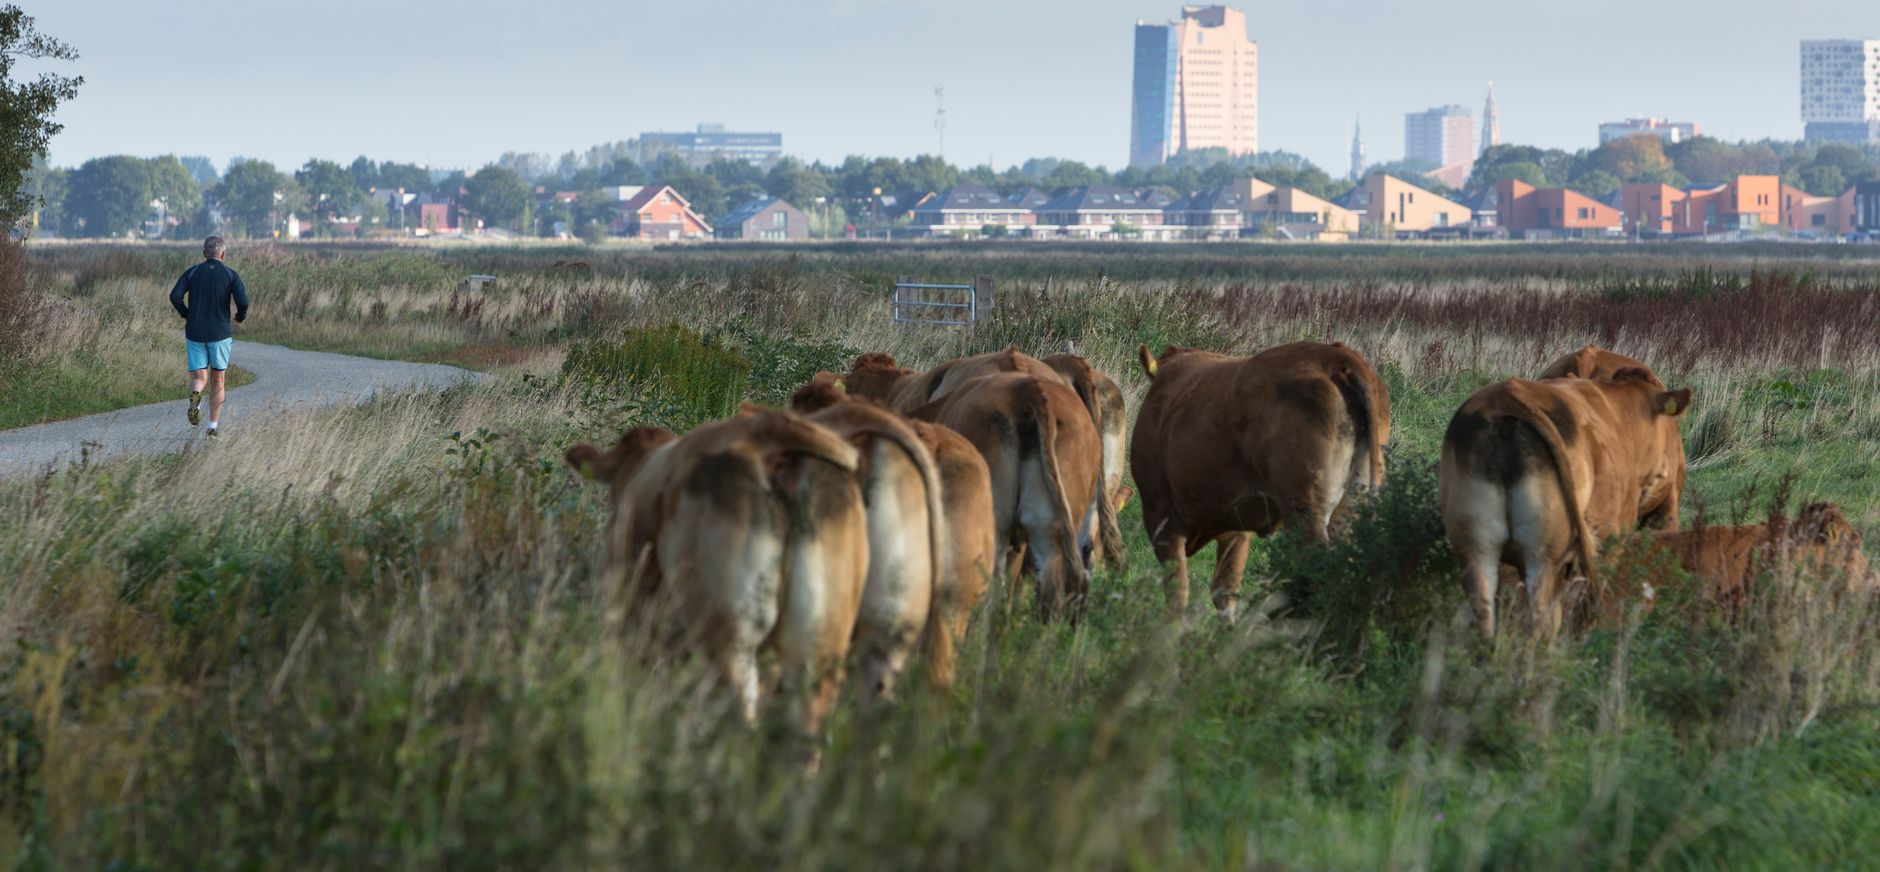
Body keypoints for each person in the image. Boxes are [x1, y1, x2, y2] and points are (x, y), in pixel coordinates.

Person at [169, 236, 249, 437]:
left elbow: (175, 296)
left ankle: (195, 398)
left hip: (195, 332)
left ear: (204, 253)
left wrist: (186, 313)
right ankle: (212, 427)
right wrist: (239, 317)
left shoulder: (192, 272)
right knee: (218, 381)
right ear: (223, 254)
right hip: (220, 334)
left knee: (199, 377)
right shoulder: (231, 275)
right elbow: (243, 301)